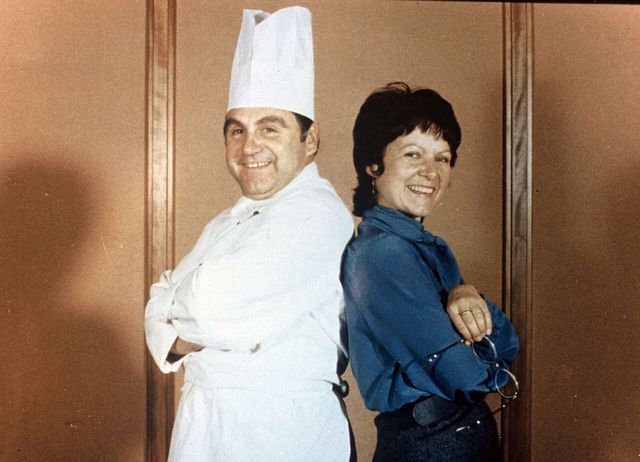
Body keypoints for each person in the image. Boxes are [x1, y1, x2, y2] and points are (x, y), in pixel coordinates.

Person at [144, 7, 355, 461]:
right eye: (236, 130)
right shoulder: (227, 220)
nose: (249, 147)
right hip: (201, 428)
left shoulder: (318, 215)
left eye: (270, 128)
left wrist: (178, 313)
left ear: (310, 140)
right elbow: (157, 305)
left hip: (281, 433)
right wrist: (185, 313)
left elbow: (204, 308)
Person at [341, 82, 520, 461]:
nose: (431, 172)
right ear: (373, 165)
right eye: (413, 154)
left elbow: (506, 348)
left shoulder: (425, 247)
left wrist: (468, 295)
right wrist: (486, 338)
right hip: (429, 443)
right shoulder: (384, 254)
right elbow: (469, 375)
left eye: (442, 158)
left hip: (457, 435)